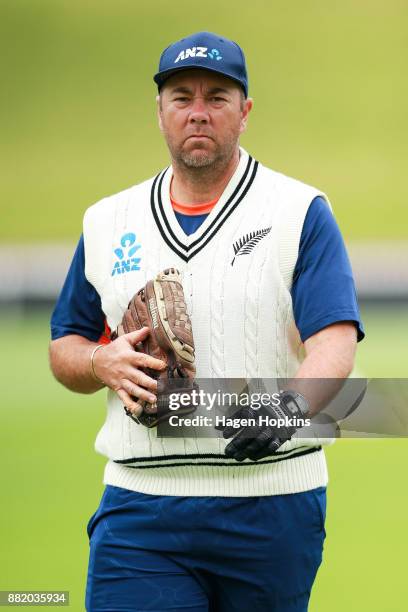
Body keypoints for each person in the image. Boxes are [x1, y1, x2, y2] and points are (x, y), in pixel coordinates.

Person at [49, 31, 364, 612]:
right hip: (142, 507)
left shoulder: (300, 212)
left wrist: (289, 408)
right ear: (160, 112)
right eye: (181, 96)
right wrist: (100, 360)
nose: (198, 112)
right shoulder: (106, 220)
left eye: (217, 97)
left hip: (273, 505)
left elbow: (335, 345)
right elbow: (64, 347)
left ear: (244, 112)